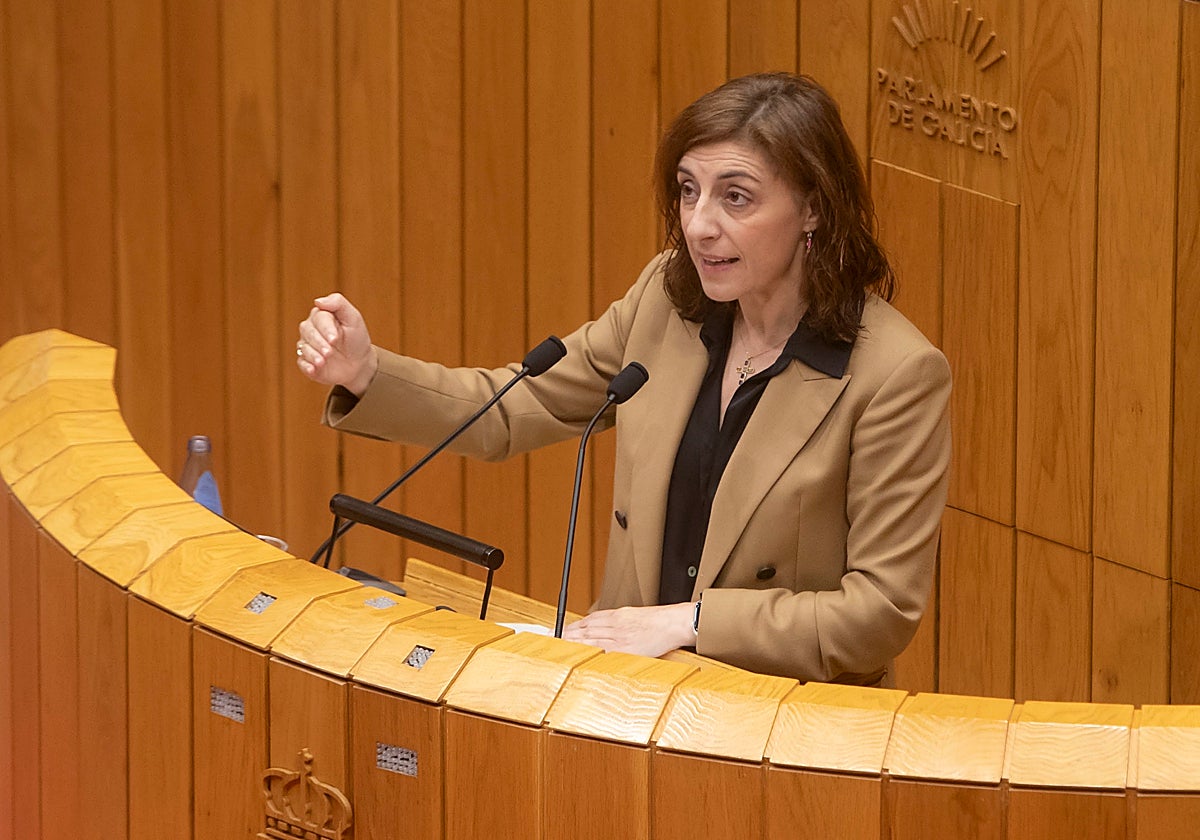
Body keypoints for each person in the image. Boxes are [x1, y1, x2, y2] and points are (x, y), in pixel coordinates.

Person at [296, 72, 950, 685]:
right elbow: (517, 404)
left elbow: (879, 612)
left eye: (736, 197)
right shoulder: (667, 301)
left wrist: (691, 623)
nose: (699, 225)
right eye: (688, 190)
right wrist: (369, 373)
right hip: (626, 700)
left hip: (773, 725)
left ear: (813, 208)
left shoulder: (894, 374)